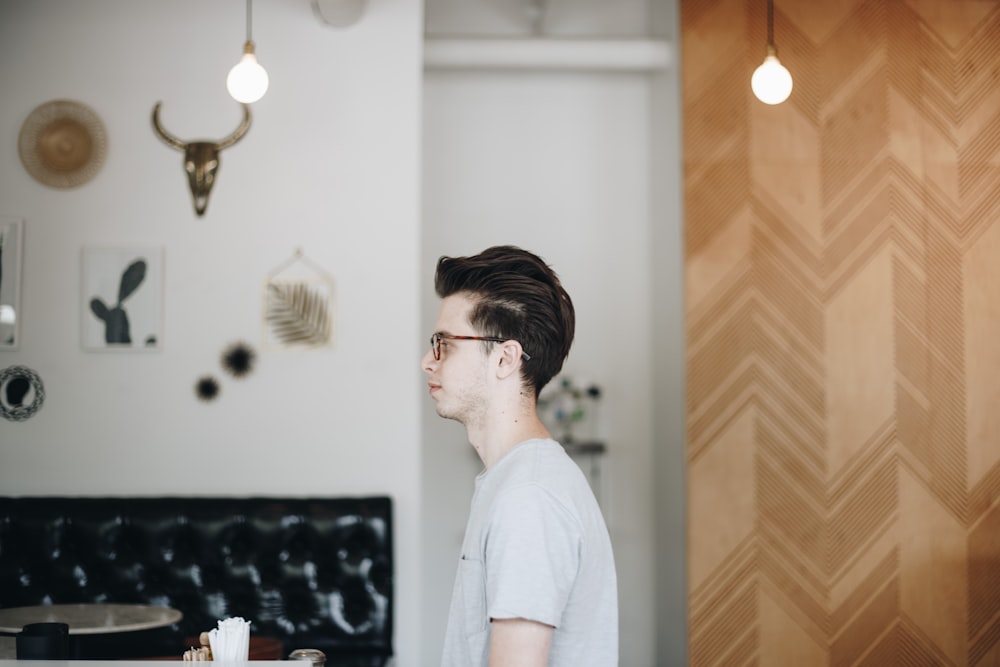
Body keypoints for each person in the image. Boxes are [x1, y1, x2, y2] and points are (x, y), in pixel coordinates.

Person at [422, 245, 618, 666]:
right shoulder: (518, 482)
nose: (427, 361)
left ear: (506, 358)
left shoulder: (528, 498)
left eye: (445, 344)